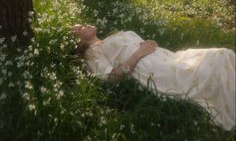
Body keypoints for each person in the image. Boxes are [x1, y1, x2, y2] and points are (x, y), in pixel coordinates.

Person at [71, 24, 235, 131]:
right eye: (79, 28)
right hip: (150, 68)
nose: (83, 25)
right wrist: (139, 53)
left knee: (222, 56)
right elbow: (112, 78)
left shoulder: (109, 38)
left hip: (166, 57)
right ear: (78, 41)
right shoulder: (91, 52)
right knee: (218, 61)